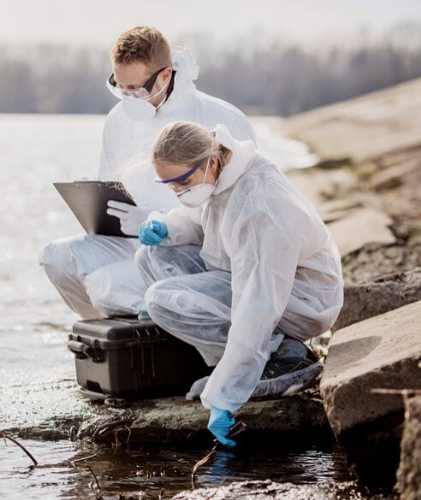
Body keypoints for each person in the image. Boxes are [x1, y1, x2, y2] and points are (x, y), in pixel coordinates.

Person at [135, 120, 343, 446]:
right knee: (152, 254)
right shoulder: (221, 172)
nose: (178, 191)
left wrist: (226, 397)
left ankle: (285, 353)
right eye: (169, 185)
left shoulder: (259, 204)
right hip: (248, 274)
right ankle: (233, 357)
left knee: (161, 299)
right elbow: (207, 222)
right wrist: (167, 226)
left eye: (182, 182)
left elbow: (259, 300)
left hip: (300, 298)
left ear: (212, 161)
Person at [39, 26, 255, 320]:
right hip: (128, 239)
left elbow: (240, 214)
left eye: (137, 89)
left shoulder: (218, 117)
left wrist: (160, 222)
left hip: (189, 252)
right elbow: (109, 183)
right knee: (56, 257)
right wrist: (104, 213)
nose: (128, 98)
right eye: (120, 87)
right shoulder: (118, 119)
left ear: (165, 75)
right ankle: (109, 339)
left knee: (107, 284)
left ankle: (169, 336)